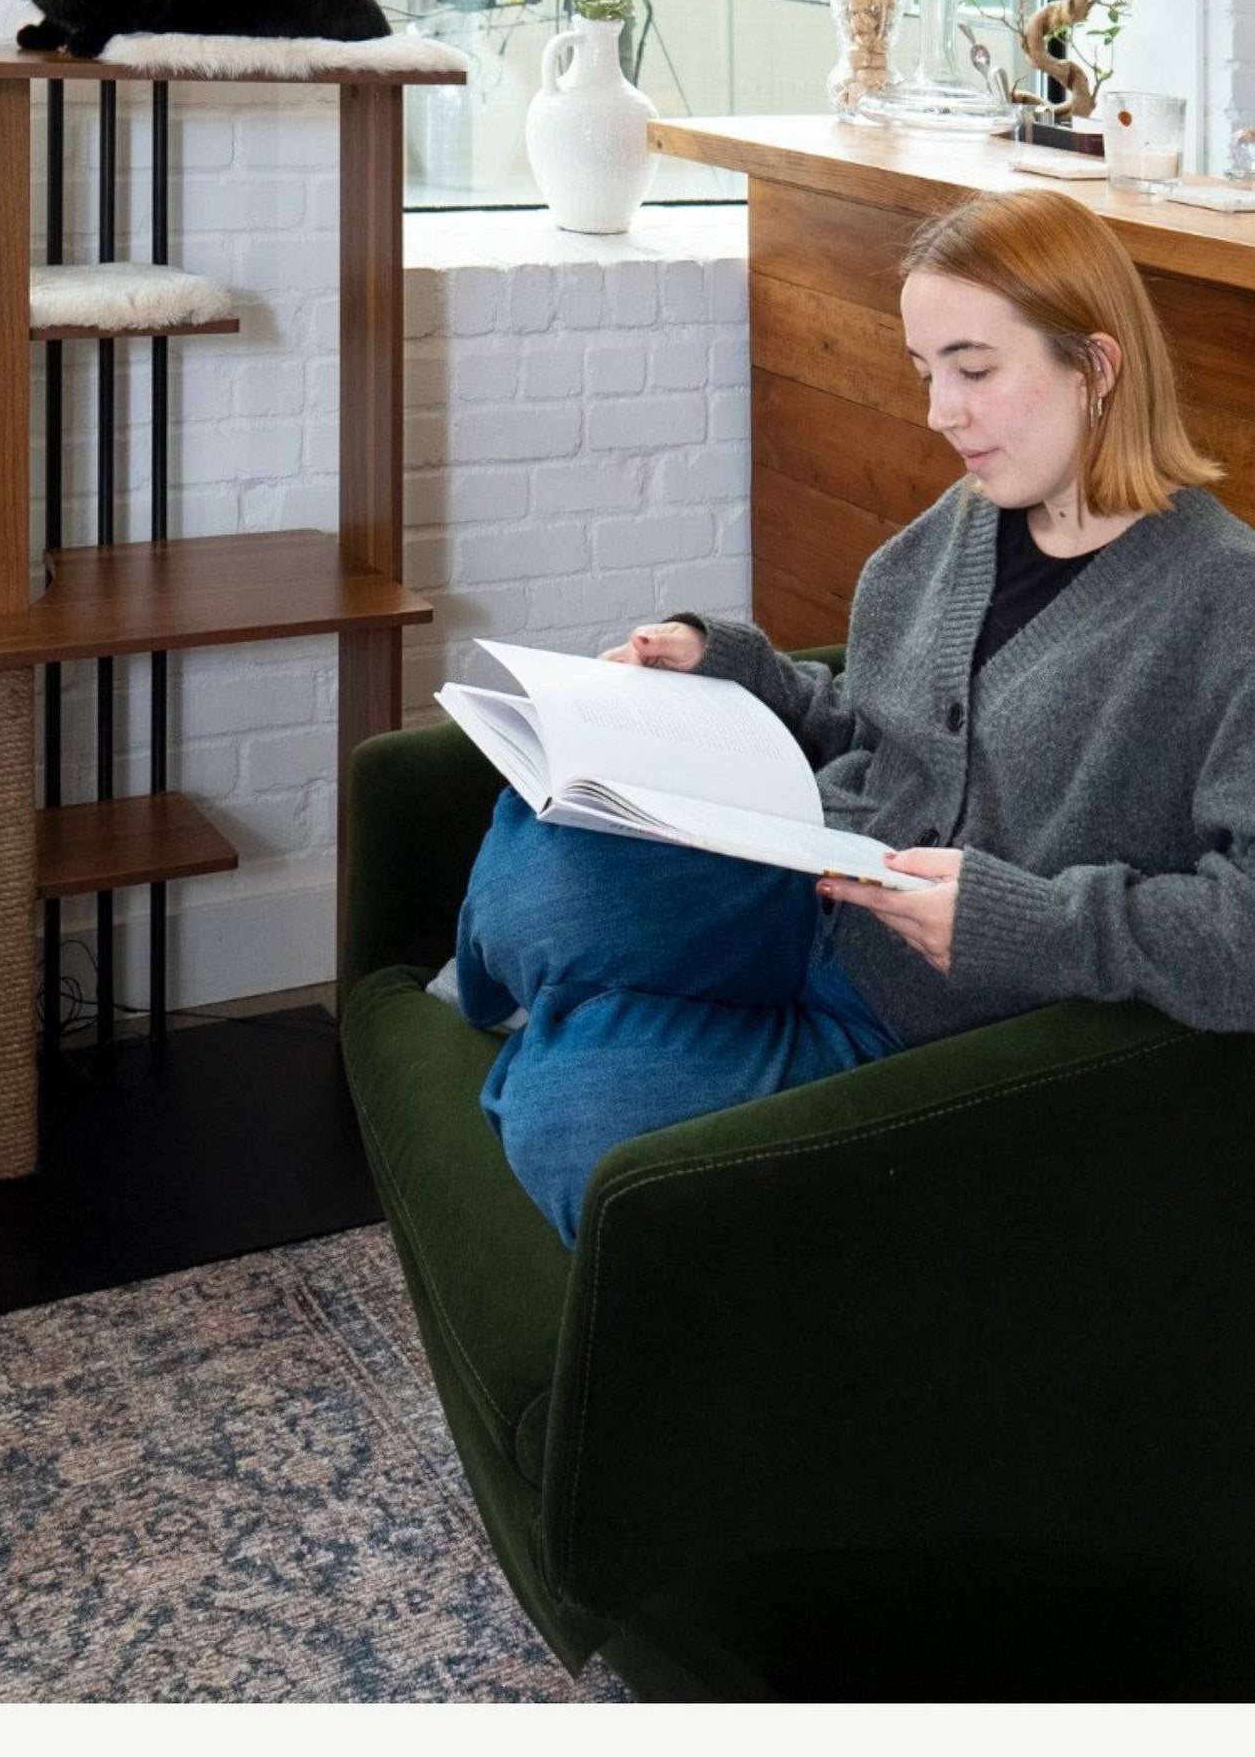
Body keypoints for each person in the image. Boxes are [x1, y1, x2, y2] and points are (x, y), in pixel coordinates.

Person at [451, 187, 1255, 1245]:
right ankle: (570, 1005)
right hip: (803, 888)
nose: (939, 413)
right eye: (926, 374)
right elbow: (873, 726)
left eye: (973, 370)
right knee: (536, 850)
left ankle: (577, 1026)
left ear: (1095, 368)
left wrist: (1028, 923)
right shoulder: (965, 520)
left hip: (925, 1018)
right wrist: (730, 666)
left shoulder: (1225, 603)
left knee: (578, 1127)